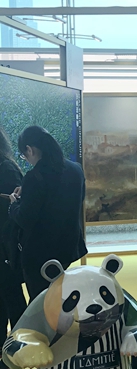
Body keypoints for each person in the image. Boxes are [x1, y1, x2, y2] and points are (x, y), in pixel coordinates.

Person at [8, 126, 87, 300]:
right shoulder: (76, 169)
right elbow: (74, 199)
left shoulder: (34, 177)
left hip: (40, 255)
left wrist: (13, 204)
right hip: (68, 249)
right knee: (62, 298)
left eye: (24, 155)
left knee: (41, 303)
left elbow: (24, 218)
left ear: (29, 149)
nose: (26, 159)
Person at [0, 127, 27, 369]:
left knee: (11, 296)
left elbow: (13, 209)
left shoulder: (7, 169)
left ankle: (19, 348)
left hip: (5, 245)